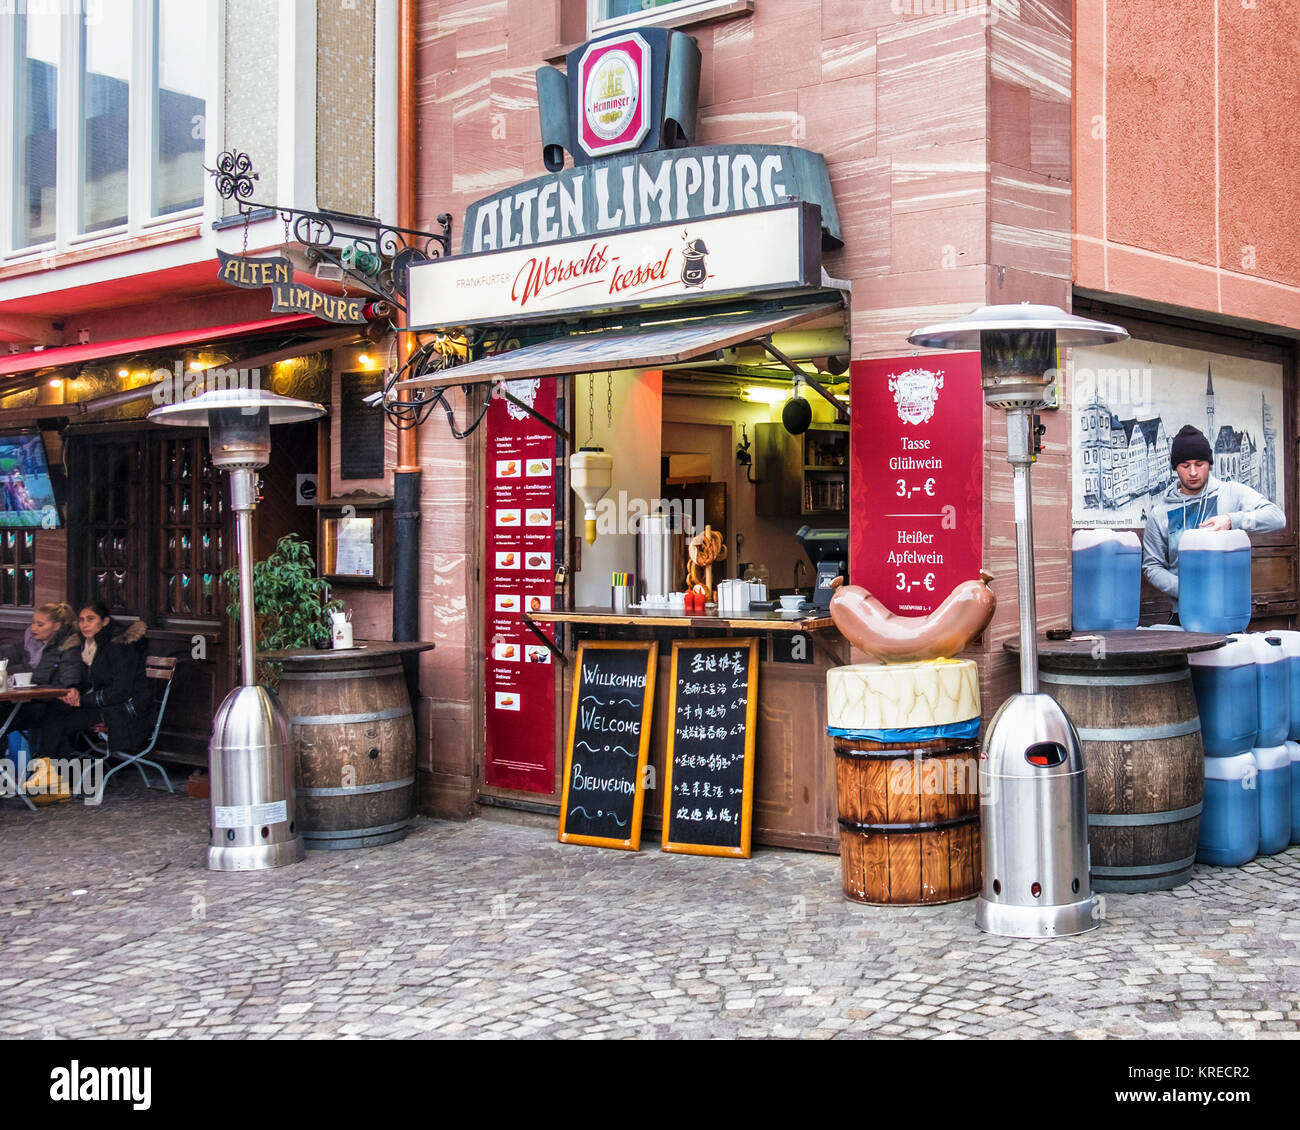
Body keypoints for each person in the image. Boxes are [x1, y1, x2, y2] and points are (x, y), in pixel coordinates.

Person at [1142, 425, 1284, 613]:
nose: (1192, 472)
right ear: (1175, 467)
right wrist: (1188, 590)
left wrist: (1232, 520)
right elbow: (1152, 566)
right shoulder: (1159, 514)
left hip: (1230, 611)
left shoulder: (1231, 493)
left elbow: (1277, 517)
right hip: (1184, 613)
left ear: (1209, 463)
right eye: (1185, 466)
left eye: (1199, 464)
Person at [38, 602, 153, 761]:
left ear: (105, 621)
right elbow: (87, 680)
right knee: (56, 708)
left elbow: (121, 691)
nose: (84, 625)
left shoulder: (119, 645)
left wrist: (82, 700)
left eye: (90, 619)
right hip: (101, 702)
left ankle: (53, 770)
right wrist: (73, 691)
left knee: (62, 723)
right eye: (81, 620)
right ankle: (49, 768)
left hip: (125, 707)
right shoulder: (87, 644)